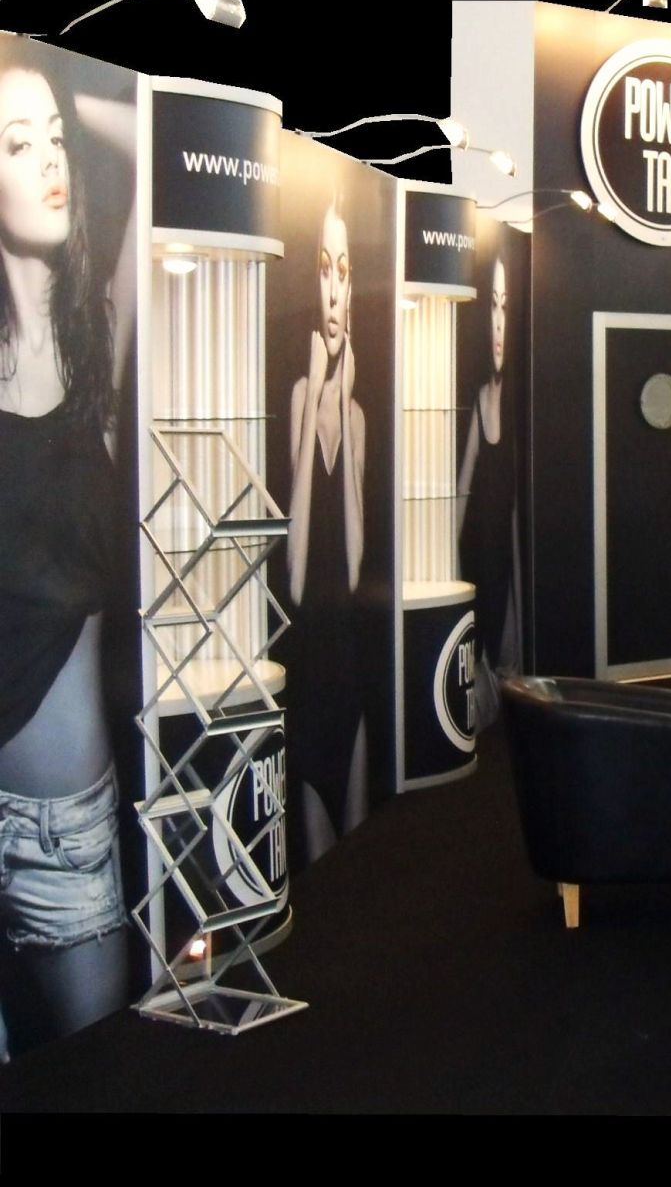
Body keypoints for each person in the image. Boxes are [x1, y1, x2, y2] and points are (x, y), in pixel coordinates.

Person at [0, 49, 136, 1062]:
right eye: (17, 144)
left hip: (63, 827)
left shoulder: (94, 335)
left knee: (100, 1066)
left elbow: (139, 141)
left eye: (56, 138)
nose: (52, 161)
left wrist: (52, 79)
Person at [285, 195, 368, 863]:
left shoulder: (359, 416)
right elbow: (294, 572)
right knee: (319, 861)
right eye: (323, 269)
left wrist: (340, 403)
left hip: (352, 661)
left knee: (362, 855)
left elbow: (356, 560)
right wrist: (315, 397)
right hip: (309, 667)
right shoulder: (298, 396)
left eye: (344, 270)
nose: (335, 289)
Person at [456, 254, 517, 725]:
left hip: (506, 558)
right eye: (491, 307)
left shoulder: (516, 401)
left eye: (505, 307)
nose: (499, 322)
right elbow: (460, 492)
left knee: (502, 641)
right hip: (478, 553)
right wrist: (447, 558)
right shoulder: (478, 401)